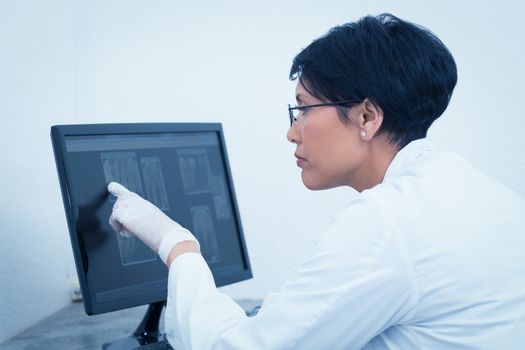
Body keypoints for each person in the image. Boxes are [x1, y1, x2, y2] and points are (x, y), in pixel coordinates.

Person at [108, 13, 525, 349]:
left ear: (366, 116)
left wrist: (177, 246)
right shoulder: (470, 188)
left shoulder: (388, 224)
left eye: (303, 109)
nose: (293, 132)